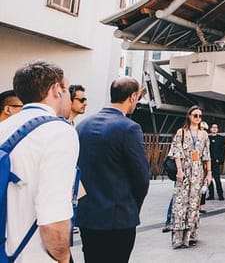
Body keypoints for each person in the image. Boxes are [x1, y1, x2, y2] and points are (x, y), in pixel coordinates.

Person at [0, 60, 78, 262]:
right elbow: (53, 216)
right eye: (67, 89)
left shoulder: (4, 128)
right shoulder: (59, 132)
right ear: (56, 90)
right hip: (32, 255)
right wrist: (62, 257)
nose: (68, 96)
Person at [75, 77, 150, 263]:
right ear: (133, 97)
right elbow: (142, 177)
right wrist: (133, 208)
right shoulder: (129, 128)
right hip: (117, 218)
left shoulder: (82, 126)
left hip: (87, 217)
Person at [168, 106, 212, 248]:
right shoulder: (181, 132)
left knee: (194, 203)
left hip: (198, 171)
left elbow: (207, 155)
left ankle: (191, 236)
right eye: (195, 115)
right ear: (189, 116)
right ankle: (178, 238)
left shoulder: (204, 134)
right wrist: (179, 170)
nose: (198, 118)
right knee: (180, 203)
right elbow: (176, 152)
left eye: (200, 116)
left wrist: (209, 173)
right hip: (184, 170)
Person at [207, 123, 225, 201]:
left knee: (217, 179)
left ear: (217, 129)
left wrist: (220, 159)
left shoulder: (221, 138)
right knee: (209, 179)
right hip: (208, 161)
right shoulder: (208, 138)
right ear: (210, 129)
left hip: (216, 161)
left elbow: (223, 150)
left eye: (216, 127)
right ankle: (211, 195)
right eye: (213, 127)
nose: (214, 129)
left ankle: (220, 195)